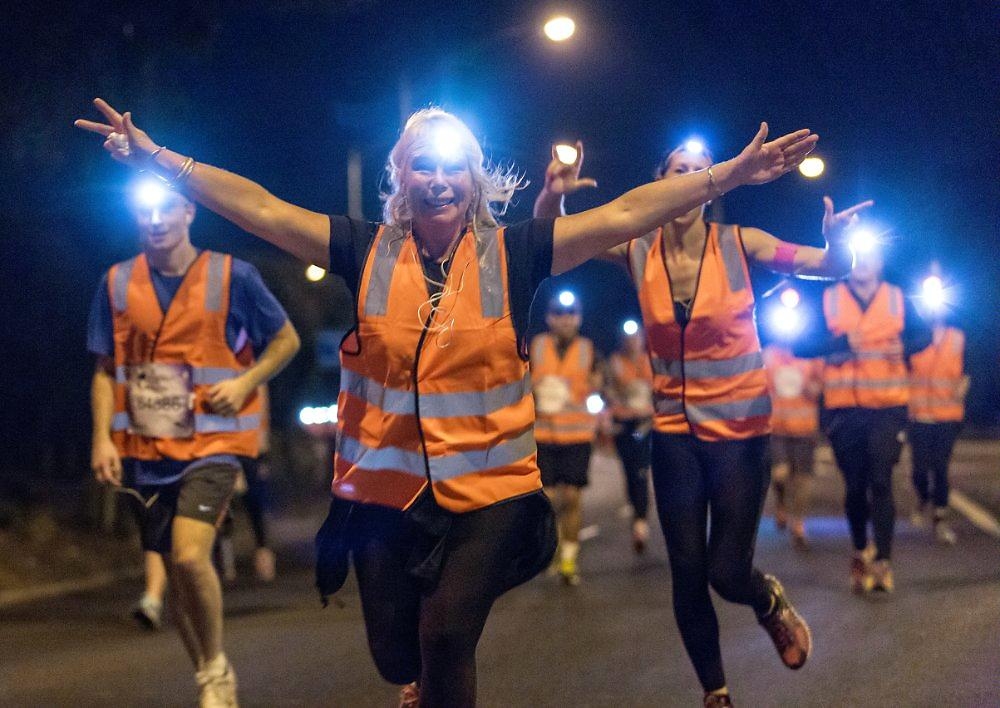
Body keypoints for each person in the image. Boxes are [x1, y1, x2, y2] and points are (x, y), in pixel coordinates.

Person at [77, 97, 816, 707]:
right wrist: (162, 161)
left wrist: (728, 175)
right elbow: (261, 210)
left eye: (452, 164)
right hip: (383, 496)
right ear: (401, 177)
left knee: (447, 635)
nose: (438, 178)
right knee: (396, 653)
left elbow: (626, 215)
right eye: (422, 164)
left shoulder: (515, 252)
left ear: (475, 176)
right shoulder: (364, 250)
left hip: (488, 495)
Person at [535, 139, 870, 706]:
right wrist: (551, 199)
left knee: (726, 571)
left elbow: (826, 266)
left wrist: (839, 248)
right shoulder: (637, 249)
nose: (689, 178)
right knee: (686, 570)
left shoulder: (742, 244)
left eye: (699, 171)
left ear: (711, 184)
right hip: (675, 435)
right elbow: (555, 236)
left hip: (741, 436)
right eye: (678, 170)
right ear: (660, 181)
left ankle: (766, 600)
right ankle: (716, 692)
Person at [86, 177, 301, 707]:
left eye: (166, 210)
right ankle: (211, 669)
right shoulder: (115, 283)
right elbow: (104, 371)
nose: (155, 222)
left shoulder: (232, 275)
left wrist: (246, 382)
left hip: (215, 445)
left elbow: (287, 339)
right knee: (179, 578)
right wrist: (102, 439)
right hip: (147, 450)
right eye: (144, 213)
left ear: (188, 212)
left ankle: (214, 675)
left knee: (186, 557)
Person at [794, 243, 931, 594]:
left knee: (881, 480)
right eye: (856, 258)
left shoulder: (898, 297)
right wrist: (839, 341)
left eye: (869, 256)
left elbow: (925, 335)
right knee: (855, 487)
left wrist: (904, 346)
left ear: (880, 262)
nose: (863, 264)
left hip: (888, 406)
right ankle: (859, 549)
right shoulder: (829, 298)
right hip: (844, 409)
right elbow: (801, 345)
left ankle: (883, 561)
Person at [531, 294, 600, 585]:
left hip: (577, 435)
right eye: (559, 312)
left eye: (571, 313)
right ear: (549, 317)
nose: (565, 318)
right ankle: (553, 548)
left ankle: (569, 561)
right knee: (547, 501)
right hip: (543, 435)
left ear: (579, 317)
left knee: (571, 497)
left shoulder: (588, 349)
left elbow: (597, 385)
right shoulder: (536, 346)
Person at [907, 271, 967, 544]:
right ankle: (922, 499)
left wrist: (960, 390)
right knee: (920, 469)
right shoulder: (915, 338)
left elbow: (969, 370)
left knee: (940, 468)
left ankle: (940, 517)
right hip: (918, 415)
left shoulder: (957, 337)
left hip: (947, 415)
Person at [762, 341, 824, 550]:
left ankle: (798, 522)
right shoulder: (769, 356)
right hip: (777, 428)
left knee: (802, 479)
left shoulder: (811, 355)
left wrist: (811, 387)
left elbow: (820, 386)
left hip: (805, 428)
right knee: (780, 473)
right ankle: (781, 503)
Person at [604, 322, 654, 553]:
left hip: (645, 425)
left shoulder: (651, 360)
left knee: (641, 470)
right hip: (625, 425)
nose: (633, 342)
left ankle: (641, 522)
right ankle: (637, 511)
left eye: (637, 337)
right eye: (629, 338)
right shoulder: (614, 363)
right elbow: (607, 393)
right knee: (630, 471)